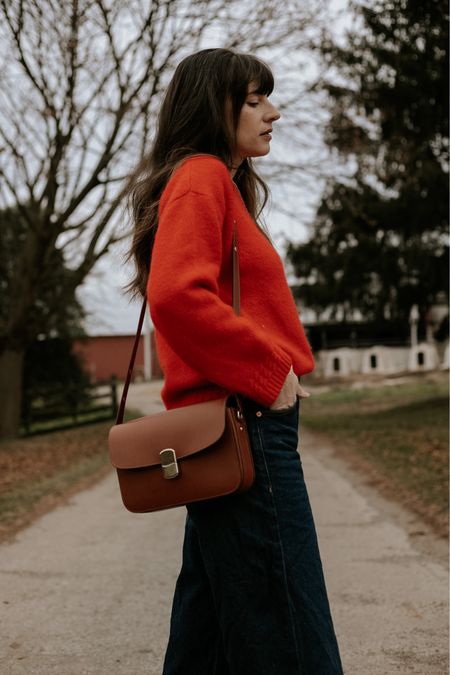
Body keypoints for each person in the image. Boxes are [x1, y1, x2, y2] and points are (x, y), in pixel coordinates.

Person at [125, 47, 344, 675]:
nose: (273, 113)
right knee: (289, 631)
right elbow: (175, 296)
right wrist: (269, 374)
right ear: (212, 108)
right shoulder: (202, 177)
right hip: (246, 421)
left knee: (210, 630)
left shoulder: (215, 182)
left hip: (229, 427)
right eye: (254, 100)